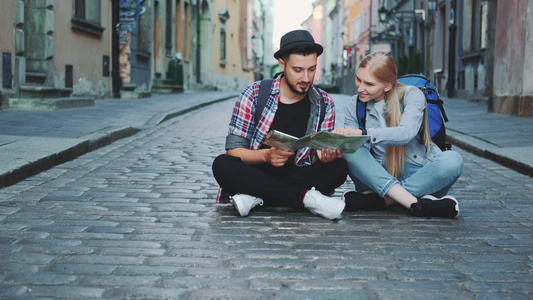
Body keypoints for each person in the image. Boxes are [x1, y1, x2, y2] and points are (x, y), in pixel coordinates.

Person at [212, 30, 349, 220]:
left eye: (312, 69)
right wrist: (266, 156)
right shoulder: (254, 94)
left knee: (339, 168)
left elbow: (316, 158)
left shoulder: (324, 102)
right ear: (282, 64)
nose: (306, 78)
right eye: (298, 70)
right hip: (258, 170)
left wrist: (324, 157)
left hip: (298, 173)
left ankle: (256, 195)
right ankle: (307, 199)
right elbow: (234, 151)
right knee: (222, 164)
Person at [335, 51, 463, 218]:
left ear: (387, 85)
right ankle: (418, 203)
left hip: (417, 174)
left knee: (453, 160)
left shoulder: (413, 95)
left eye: (369, 84)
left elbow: (406, 132)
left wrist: (364, 132)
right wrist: (341, 138)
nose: (360, 88)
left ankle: (385, 201)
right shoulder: (356, 103)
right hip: (376, 176)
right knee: (349, 149)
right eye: (359, 79)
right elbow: (353, 147)